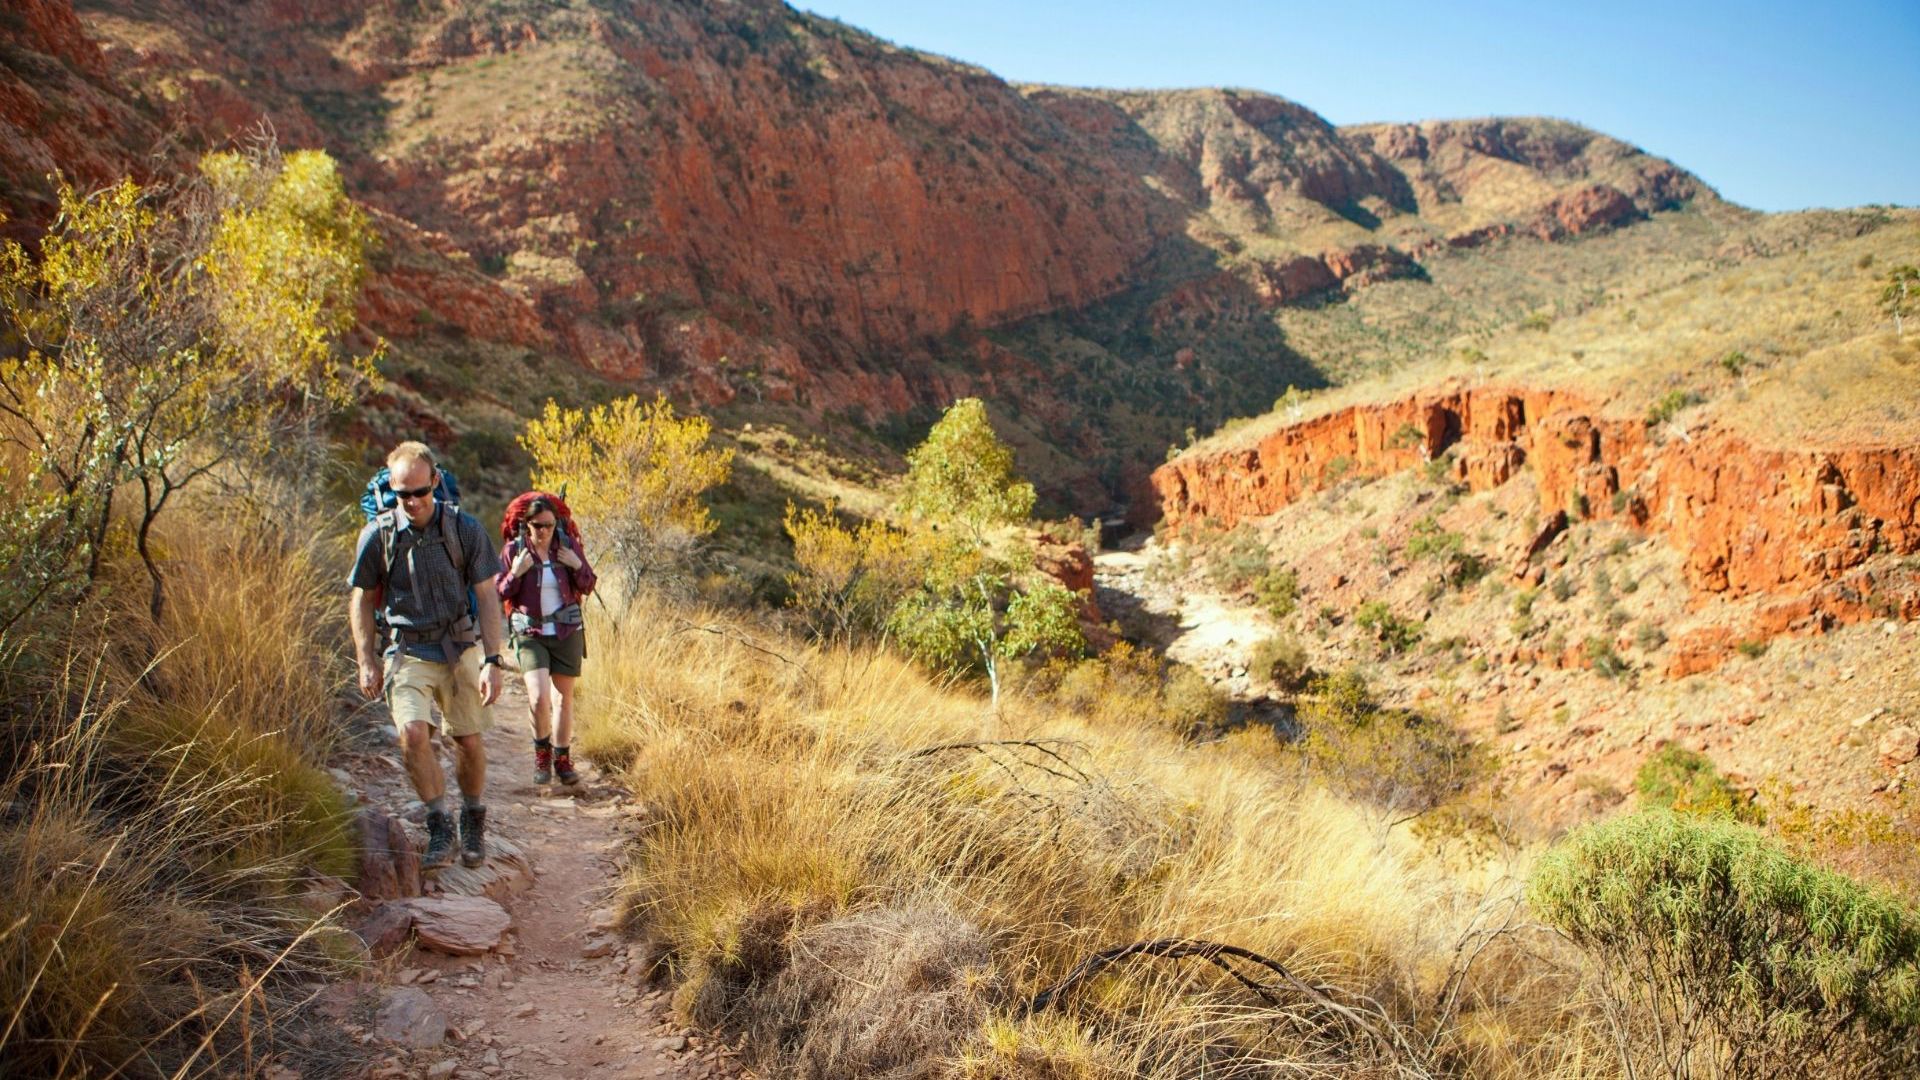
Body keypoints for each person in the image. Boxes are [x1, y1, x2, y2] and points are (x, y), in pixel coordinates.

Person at [349, 442, 506, 871]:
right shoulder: (378, 535)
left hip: (458, 646)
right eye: (403, 495)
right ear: (392, 491)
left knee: (467, 740)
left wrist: (493, 660)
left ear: (435, 481)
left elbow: (487, 597)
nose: (412, 502)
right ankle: (440, 822)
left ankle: (472, 816)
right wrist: (367, 659)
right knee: (414, 734)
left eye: (419, 491)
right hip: (407, 648)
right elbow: (362, 599)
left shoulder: (465, 529)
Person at [496, 493, 596, 785]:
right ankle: (542, 753)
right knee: (539, 697)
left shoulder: (567, 546)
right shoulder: (514, 551)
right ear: (526, 525)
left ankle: (563, 760)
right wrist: (516, 573)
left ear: (557, 525)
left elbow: (589, 584)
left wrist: (576, 564)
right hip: (531, 633)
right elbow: (500, 592)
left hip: (567, 631)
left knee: (563, 700)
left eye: (549, 526)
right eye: (537, 525)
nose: (543, 531)